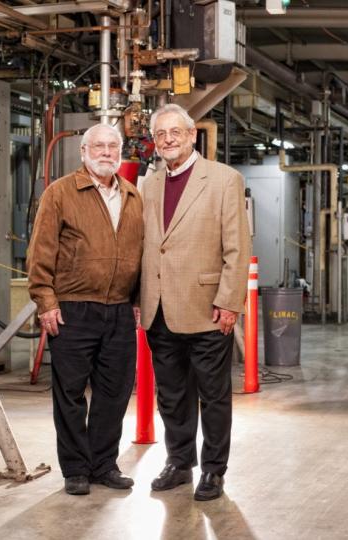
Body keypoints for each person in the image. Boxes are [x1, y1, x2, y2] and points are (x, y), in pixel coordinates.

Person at [139, 103, 251, 501]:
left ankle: (214, 470)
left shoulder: (223, 180)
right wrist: (140, 298)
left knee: (213, 395)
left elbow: (238, 247)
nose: (168, 140)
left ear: (192, 135)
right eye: (160, 134)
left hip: (207, 307)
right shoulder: (148, 184)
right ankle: (179, 462)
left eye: (175, 132)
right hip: (160, 309)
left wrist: (230, 301)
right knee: (171, 394)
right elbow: (147, 246)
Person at [27, 124, 143, 496]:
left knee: (115, 393)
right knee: (71, 394)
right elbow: (40, 252)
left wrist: (138, 300)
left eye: (114, 146)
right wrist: (46, 300)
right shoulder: (60, 193)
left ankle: (104, 465)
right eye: (99, 146)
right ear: (83, 152)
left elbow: (140, 253)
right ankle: (76, 469)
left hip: (119, 310)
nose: (107, 152)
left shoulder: (132, 196)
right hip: (73, 309)